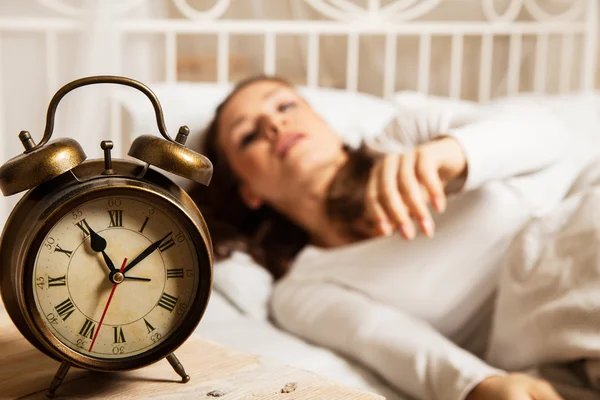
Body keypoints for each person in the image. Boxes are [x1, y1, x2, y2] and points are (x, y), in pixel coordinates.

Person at [189, 74, 598, 400]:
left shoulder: (408, 135)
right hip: (542, 332)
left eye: (285, 105)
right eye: (249, 135)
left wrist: (452, 153)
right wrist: (482, 386)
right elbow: (395, 346)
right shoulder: (304, 290)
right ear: (248, 191)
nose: (275, 123)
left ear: (323, 122)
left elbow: (550, 133)